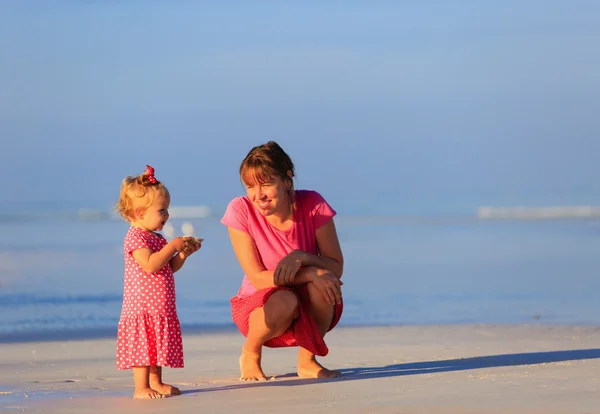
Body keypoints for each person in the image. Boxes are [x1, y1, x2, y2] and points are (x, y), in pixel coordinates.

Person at [221, 141, 344, 381]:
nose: (259, 196)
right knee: (287, 298)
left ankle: (307, 360)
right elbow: (257, 277)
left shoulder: (313, 204)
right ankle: (250, 353)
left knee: (324, 283)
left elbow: (336, 267)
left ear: (287, 180)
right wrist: (308, 272)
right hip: (260, 308)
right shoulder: (240, 209)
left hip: (307, 307)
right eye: (250, 186)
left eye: (266, 184)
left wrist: (303, 257)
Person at [115, 165, 202, 399]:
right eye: (161, 210)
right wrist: (173, 246)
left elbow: (169, 267)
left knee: (155, 345)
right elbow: (151, 264)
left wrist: (182, 254)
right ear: (139, 213)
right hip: (142, 306)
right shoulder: (135, 237)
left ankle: (156, 382)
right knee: (144, 345)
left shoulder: (157, 237)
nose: (166, 215)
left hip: (160, 305)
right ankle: (140, 387)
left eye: (167, 210)